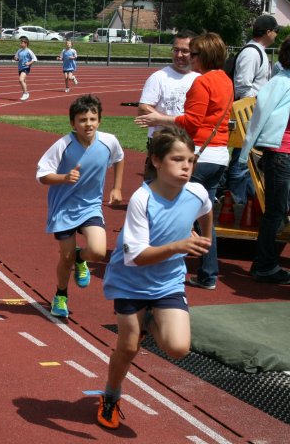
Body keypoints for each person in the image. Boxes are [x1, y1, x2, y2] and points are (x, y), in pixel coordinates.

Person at [97, 127, 212, 429]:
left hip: (168, 281)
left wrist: (205, 237)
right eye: (177, 159)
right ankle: (111, 395)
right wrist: (179, 246)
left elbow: (207, 210)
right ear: (157, 161)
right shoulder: (142, 199)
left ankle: (148, 321)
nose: (186, 167)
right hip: (130, 281)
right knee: (128, 347)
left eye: (190, 160)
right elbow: (136, 256)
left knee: (178, 348)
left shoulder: (197, 193)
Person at [135, 33, 233, 290]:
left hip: (199, 154)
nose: (190, 58)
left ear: (205, 55)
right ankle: (208, 274)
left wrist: (159, 119)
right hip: (219, 155)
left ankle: (161, 270)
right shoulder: (225, 79)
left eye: (194, 54)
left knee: (172, 213)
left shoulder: (203, 82)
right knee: (205, 216)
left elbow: (192, 122)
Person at [36, 94, 124, 318]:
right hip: (63, 208)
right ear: (72, 123)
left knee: (98, 251)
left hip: (91, 206)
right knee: (65, 259)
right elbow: (43, 175)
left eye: (93, 119)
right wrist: (64, 178)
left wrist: (116, 188)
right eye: (83, 120)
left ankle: (81, 257)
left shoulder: (109, 142)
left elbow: (119, 158)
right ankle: (61, 295)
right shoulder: (63, 145)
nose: (88, 124)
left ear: (100, 120)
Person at [239, 36, 290, 284]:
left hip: (283, 155)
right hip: (281, 154)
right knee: (275, 212)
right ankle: (264, 265)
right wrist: (245, 151)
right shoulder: (281, 82)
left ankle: (264, 263)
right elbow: (259, 116)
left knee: (277, 211)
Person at [224, 15, 280, 204]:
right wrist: (252, 111)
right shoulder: (251, 53)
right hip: (248, 115)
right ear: (268, 32)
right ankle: (236, 200)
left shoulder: (258, 52)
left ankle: (244, 199)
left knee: (248, 162)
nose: (276, 35)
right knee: (241, 161)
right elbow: (242, 86)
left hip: (253, 114)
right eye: (275, 31)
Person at [138, 30, 199, 177]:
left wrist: (159, 119)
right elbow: (143, 108)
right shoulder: (159, 77)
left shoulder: (200, 78)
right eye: (176, 50)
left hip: (191, 144)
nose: (179, 55)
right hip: (162, 142)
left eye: (185, 51)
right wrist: (175, 123)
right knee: (156, 185)